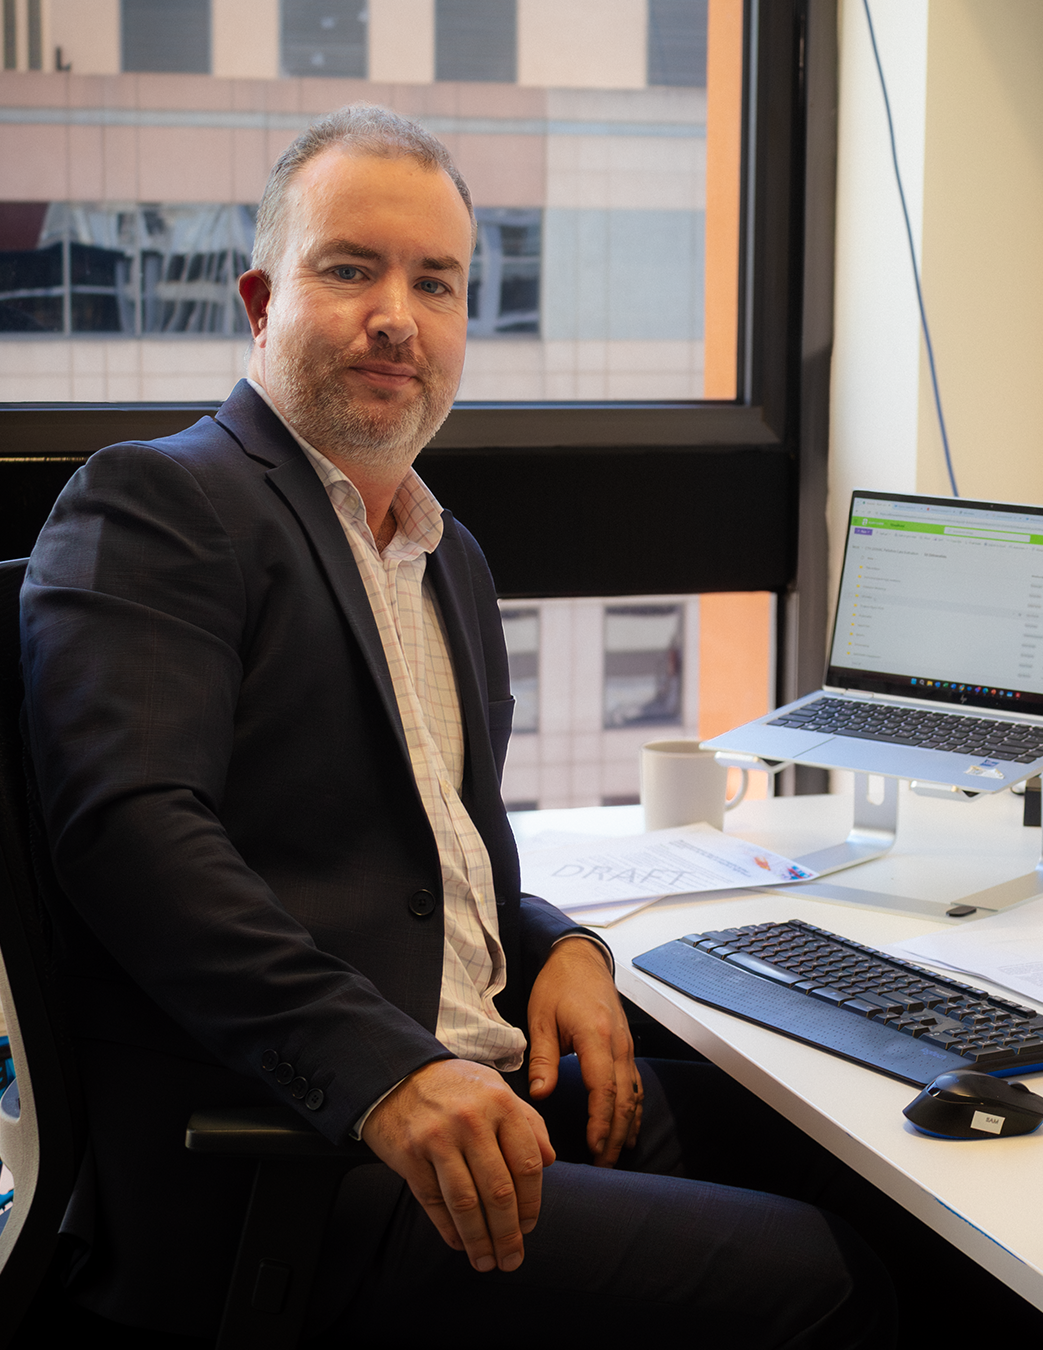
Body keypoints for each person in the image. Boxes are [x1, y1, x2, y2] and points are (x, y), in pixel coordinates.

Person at [20, 105, 895, 1345]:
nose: (398, 314)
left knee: (868, 1173)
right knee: (823, 1276)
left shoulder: (447, 558)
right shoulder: (160, 504)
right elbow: (132, 839)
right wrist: (384, 1072)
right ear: (261, 301)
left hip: (478, 1092)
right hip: (302, 1165)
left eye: (436, 282)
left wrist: (562, 945)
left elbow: (436, 860)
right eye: (351, 269)